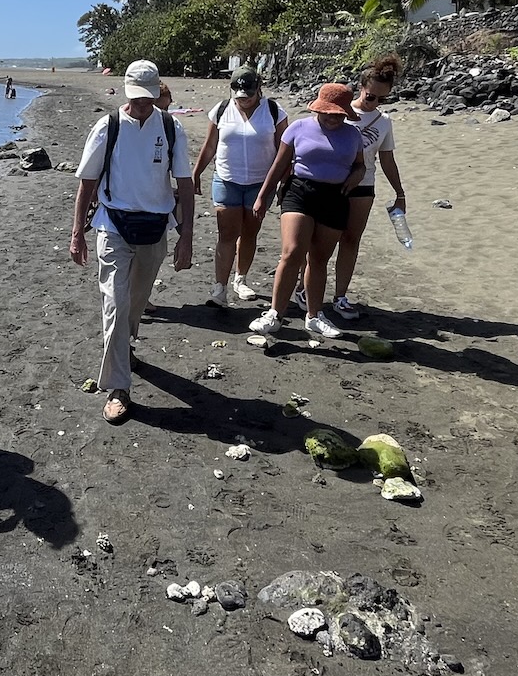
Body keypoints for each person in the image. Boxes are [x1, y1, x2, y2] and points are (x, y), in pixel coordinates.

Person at [69, 60, 194, 424]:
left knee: (136, 303)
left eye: (148, 99)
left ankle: (124, 348)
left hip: (155, 227)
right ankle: (118, 386)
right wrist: (77, 233)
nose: (142, 105)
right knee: (115, 303)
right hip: (113, 225)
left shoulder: (171, 128)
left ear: (157, 94)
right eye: (137, 98)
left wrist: (186, 237)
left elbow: (185, 184)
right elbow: (86, 184)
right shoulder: (106, 127)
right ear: (126, 92)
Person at [248, 83, 365, 340]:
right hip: (300, 191)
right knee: (292, 252)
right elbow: (279, 164)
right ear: (318, 109)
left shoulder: (353, 135)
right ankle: (275, 314)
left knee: (319, 259)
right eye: (328, 113)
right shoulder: (298, 128)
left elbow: (360, 166)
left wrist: (357, 176)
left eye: (339, 114)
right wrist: (262, 196)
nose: (333, 118)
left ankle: (314, 316)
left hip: (336, 196)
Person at [191, 66, 288, 306]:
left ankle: (240, 279)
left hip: (261, 183)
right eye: (239, 95)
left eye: (249, 95)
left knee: (249, 233)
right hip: (226, 179)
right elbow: (210, 146)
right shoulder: (222, 110)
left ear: (259, 89)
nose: (244, 100)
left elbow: (284, 152)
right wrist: (195, 174)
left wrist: (283, 182)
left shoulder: (275, 112)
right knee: (226, 233)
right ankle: (219, 288)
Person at [325, 54, 406, 319]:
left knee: (350, 240)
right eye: (371, 96)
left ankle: (340, 296)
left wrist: (399, 192)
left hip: (364, 185)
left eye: (382, 99)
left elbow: (387, 158)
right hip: (331, 182)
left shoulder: (383, 122)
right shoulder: (340, 111)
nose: (375, 103)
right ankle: (306, 289)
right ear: (361, 87)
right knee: (322, 241)